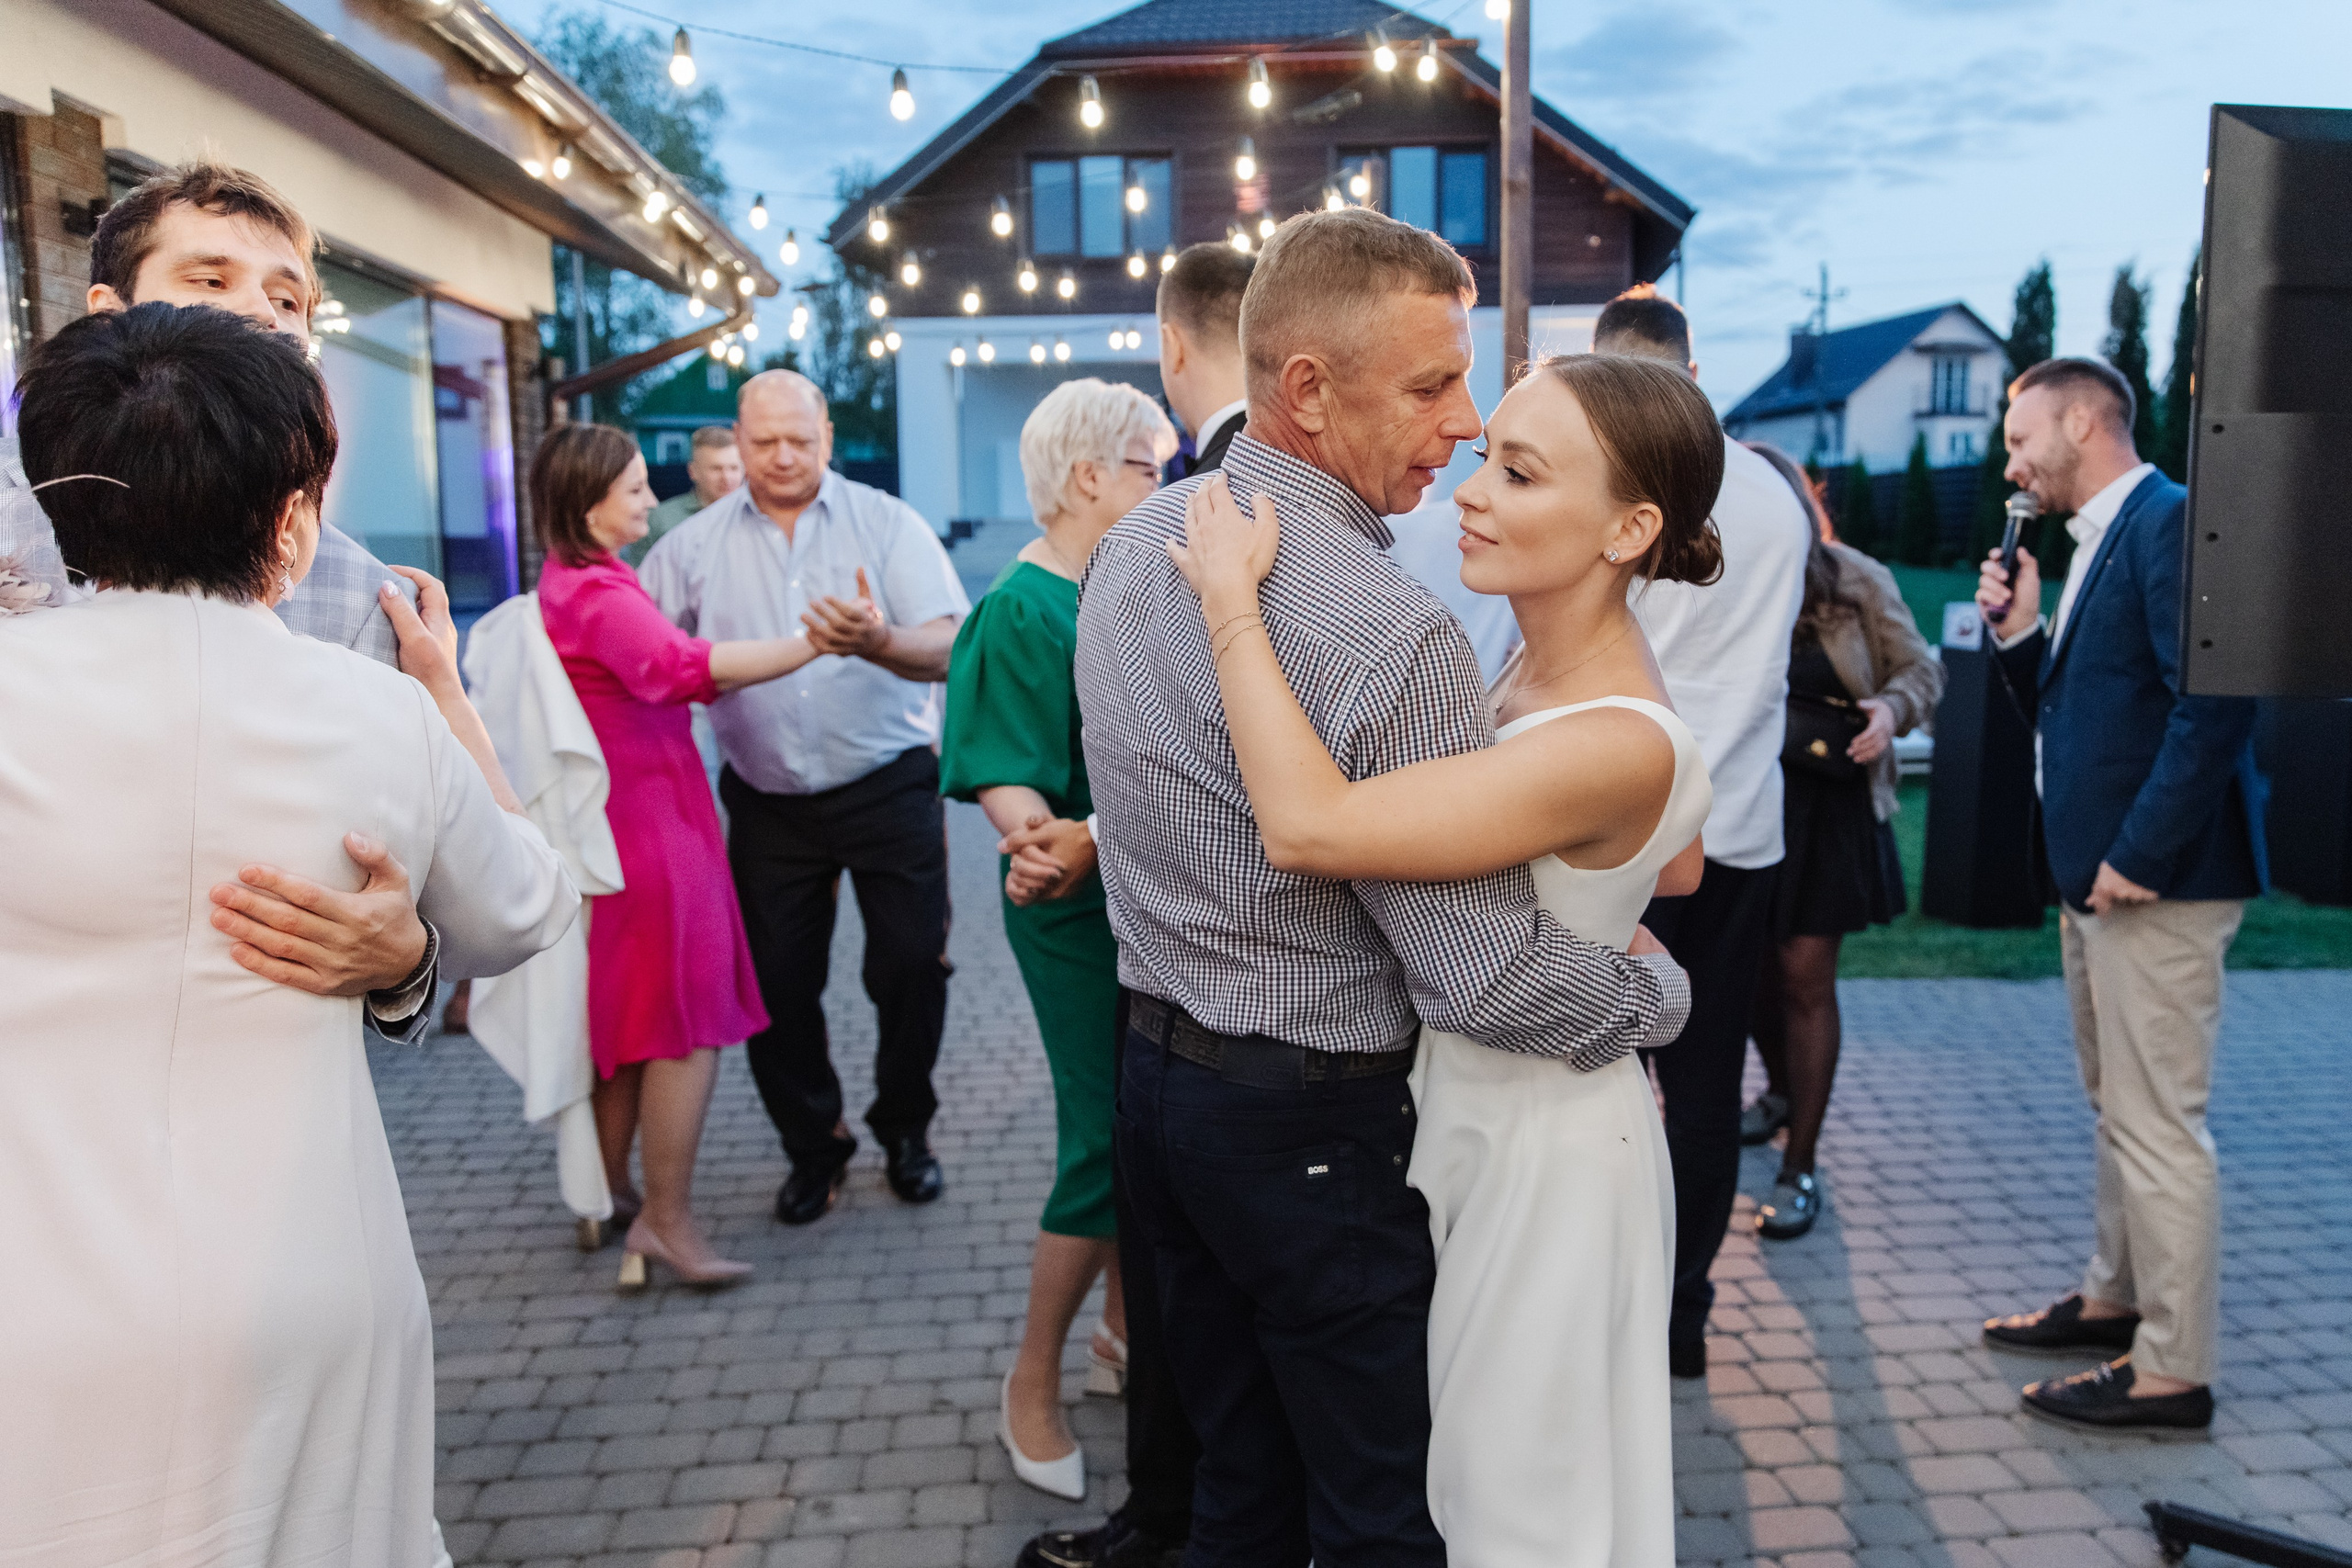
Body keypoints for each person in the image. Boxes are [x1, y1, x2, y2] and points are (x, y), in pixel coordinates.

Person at [1072, 207, 1691, 1568]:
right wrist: (1659, 994)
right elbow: (1480, 972)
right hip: (1312, 1121)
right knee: (1377, 1509)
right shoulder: (1392, 630)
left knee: (1238, 1480)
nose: (1464, 422)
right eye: (1429, 386)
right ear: (1305, 388)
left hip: (1158, 1087)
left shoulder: (1137, 540)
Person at [0, 301, 577, 1561]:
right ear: (295, 514)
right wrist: (443, 690)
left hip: (31, 1287)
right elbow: (530, 899)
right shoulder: (375, 714)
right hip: (309, 1273)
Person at [0, 157, 470, 1031]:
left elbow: (420, 889)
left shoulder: (358, 594)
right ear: (112, 314)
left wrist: (405, 964)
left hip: (260, 1089)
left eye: (289, 299)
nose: (262, 311)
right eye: (210, 278)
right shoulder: (11, 530)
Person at [1974, 357, 2265, 1434]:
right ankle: (2114, 1300)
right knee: (2121, 1111)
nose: (2011, 464)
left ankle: (2172, 1371)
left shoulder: (2172, 521)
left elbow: (2216, 704)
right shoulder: (2092, 541)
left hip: (2155, 883)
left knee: (2159, 1125)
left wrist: (2138, 855)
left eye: (2020, 439)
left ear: (2085, 419)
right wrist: (2017, 635)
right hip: (2091, 878)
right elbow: (2074, 715)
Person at [640, 370, 971, 1224]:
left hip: (890, 781)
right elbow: (650, 662)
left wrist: (879, 639)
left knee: (908, 965)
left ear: (827, 433)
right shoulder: (690, 547)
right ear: (734, 444)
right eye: (763, 443)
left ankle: (906, 1130)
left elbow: (949, 646)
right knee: (779, 986)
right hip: (767, 798)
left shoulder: (886, 523)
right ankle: (813, 1147)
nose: (783, 457)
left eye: (800, 439)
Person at [942, 379, 1176, 1504]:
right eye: (1151, 466)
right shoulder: (1023, 606)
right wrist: (1034, 839)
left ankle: (1121, 1338)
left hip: (1140, 889)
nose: (1166, 486)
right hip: (1073, 906)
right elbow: (1004, 768)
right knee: (1099, 1137)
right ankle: (1030, 1381)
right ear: (1092, 478)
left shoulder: (1121, 587)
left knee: (1137, 1130)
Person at [536, 422, 820, 1289]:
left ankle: (612, 1195)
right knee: (687, 1027)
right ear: (588, 502)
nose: (651, 500)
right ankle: (666, 1220)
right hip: (655, 829)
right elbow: (685, 666)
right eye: (632, 489)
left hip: (625, 826)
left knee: (628, 1024)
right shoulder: (598, 594)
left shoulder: (573, 582)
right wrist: (814, 643)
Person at [1598, 285, 1809, 1379]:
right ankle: (1683, 1314)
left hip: (1637, 828)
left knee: (1611, 1077)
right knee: (1707, 1081)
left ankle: (1630, 1307)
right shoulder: (1778, 493)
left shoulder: (1628, 484)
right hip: (1741, 826)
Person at [1740, 443, 1943, 1240]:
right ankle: (1781, 1093)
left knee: (1802, 978)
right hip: (1747, 799)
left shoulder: (1852, 576)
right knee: (1752, 969)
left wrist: (1892, 711)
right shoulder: (1718, 573)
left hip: (1827, 807)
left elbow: (1921, 671)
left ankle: (1802, 1164)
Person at [625, 423, 741, 569]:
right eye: (716, 469)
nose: (727, 477)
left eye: (734, 468)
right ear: (693, 471)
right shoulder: (660, 521)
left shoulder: (758, 518)